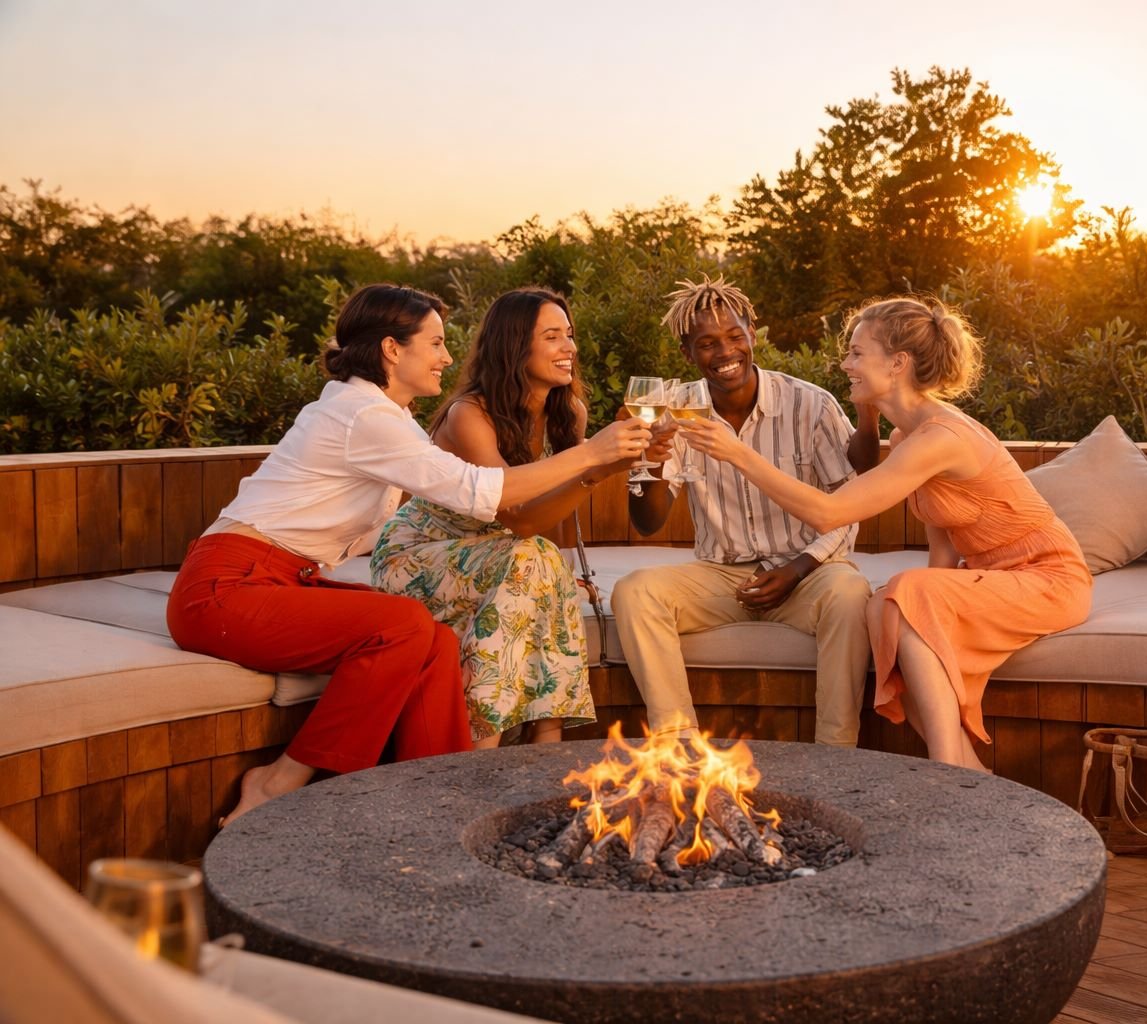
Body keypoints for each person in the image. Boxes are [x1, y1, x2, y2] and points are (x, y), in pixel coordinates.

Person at [166, 284, 652, 824]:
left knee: (436, 642)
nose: (447, 357)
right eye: (436, 343)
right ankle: (278, 779)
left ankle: (440, 796)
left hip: (283, 580)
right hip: (225, 588)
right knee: (403, 625)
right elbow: (483, 491)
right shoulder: (363, 416)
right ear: (392, 350)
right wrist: (593, 454)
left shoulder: (387, 418)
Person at [675, 296, 1092, 769]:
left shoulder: (942, 438)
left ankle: (944, 771)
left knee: (905, 593)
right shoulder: (905, 436)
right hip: (991, 576)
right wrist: (868, 411)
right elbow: (945, 538)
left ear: (897, 364)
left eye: (856, 353)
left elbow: (831, 513)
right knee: (886, 606)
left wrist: (738, 454)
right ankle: (971, 772)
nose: (845, 363)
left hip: (1048, 578)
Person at [611, 277, 874, 745]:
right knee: (635, 591)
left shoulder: (810, 404)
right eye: (707, 344)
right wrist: (648, 463)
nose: (725, 351)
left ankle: (837, 753)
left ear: (753, 333)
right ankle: (679, 747)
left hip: (807, 570)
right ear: (688, 353)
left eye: (734, 336)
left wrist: (797, 568)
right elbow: (647, 523)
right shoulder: (673, 410)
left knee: (851, 593)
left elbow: (848, 505)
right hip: (722, 575)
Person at [372, 288, 626, 748]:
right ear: (514, 345)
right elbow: (520, 520)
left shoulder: (569, 413)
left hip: (499, 558)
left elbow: (545, 521)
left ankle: (541, 753)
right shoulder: (469, 415)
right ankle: (485, 747)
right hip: (418, 558)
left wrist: (608, 467)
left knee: (541, 564)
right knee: (535, 560)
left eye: (569, 335)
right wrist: (594, 464)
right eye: (553, 337)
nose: (569, 348)